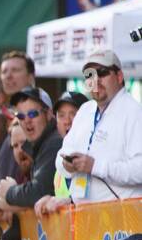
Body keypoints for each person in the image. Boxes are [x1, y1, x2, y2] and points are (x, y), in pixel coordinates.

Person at [57, 50, 142, 203]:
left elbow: (139, 170)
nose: (95, 80)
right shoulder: (85, 110)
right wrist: (67, 165)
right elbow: (61, 155)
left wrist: (96, 166)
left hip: (121, 219)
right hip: (86, 216)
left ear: (119, 76)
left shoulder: (134, 112)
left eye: (102, 73)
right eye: (89, 75)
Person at [0, 88, 61, 214]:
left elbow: (38, 192)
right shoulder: (40, 145)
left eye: (32, 114)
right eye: (20, 116)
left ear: (48, 114)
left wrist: (10, 192)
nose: (27, 120)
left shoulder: (54, 142)